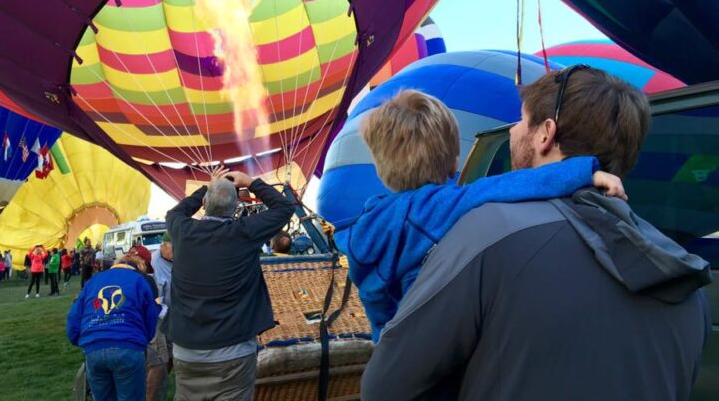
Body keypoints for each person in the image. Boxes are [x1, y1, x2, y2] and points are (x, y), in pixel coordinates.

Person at [361, 67, 712, 401]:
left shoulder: (487, 234)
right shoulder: (688, 283)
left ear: (546, 133)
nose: (512, 130)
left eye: (520, 119)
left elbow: (384, 387)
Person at [336, 89, 626, 339]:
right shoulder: (440, 206)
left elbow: (374, 299)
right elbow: (508, 184)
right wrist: (585, 172)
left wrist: (383, 338)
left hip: (396, 347)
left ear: (380, 167)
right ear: (454, 164)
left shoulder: (367, 224)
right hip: (438, 343)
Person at [165, 167, 296, 401]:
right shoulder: (244, 232)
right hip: (233, 351)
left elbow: (175, 212)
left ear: (205, 203)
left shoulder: (182, 230)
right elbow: (285, 207)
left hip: (187, 351)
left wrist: (209, 185)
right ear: (235, 207)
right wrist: (251, 182)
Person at [67, 250, 160, 401]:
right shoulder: (139, 280)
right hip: (128, 347)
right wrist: (143, 339)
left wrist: (78, 339)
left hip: (94, 348)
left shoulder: (94, 281)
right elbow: (151, 315)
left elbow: (74, 315)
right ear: (139, 267)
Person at [146, 233, 174, 401]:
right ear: (164, 245)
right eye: (174, 248)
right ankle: (149, 397)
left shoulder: (177, 260)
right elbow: (153, 301)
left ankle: (157, 391)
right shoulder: (153, 265)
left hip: (173, 318)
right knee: (159, 362)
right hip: (156, 319)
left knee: (171, 357)